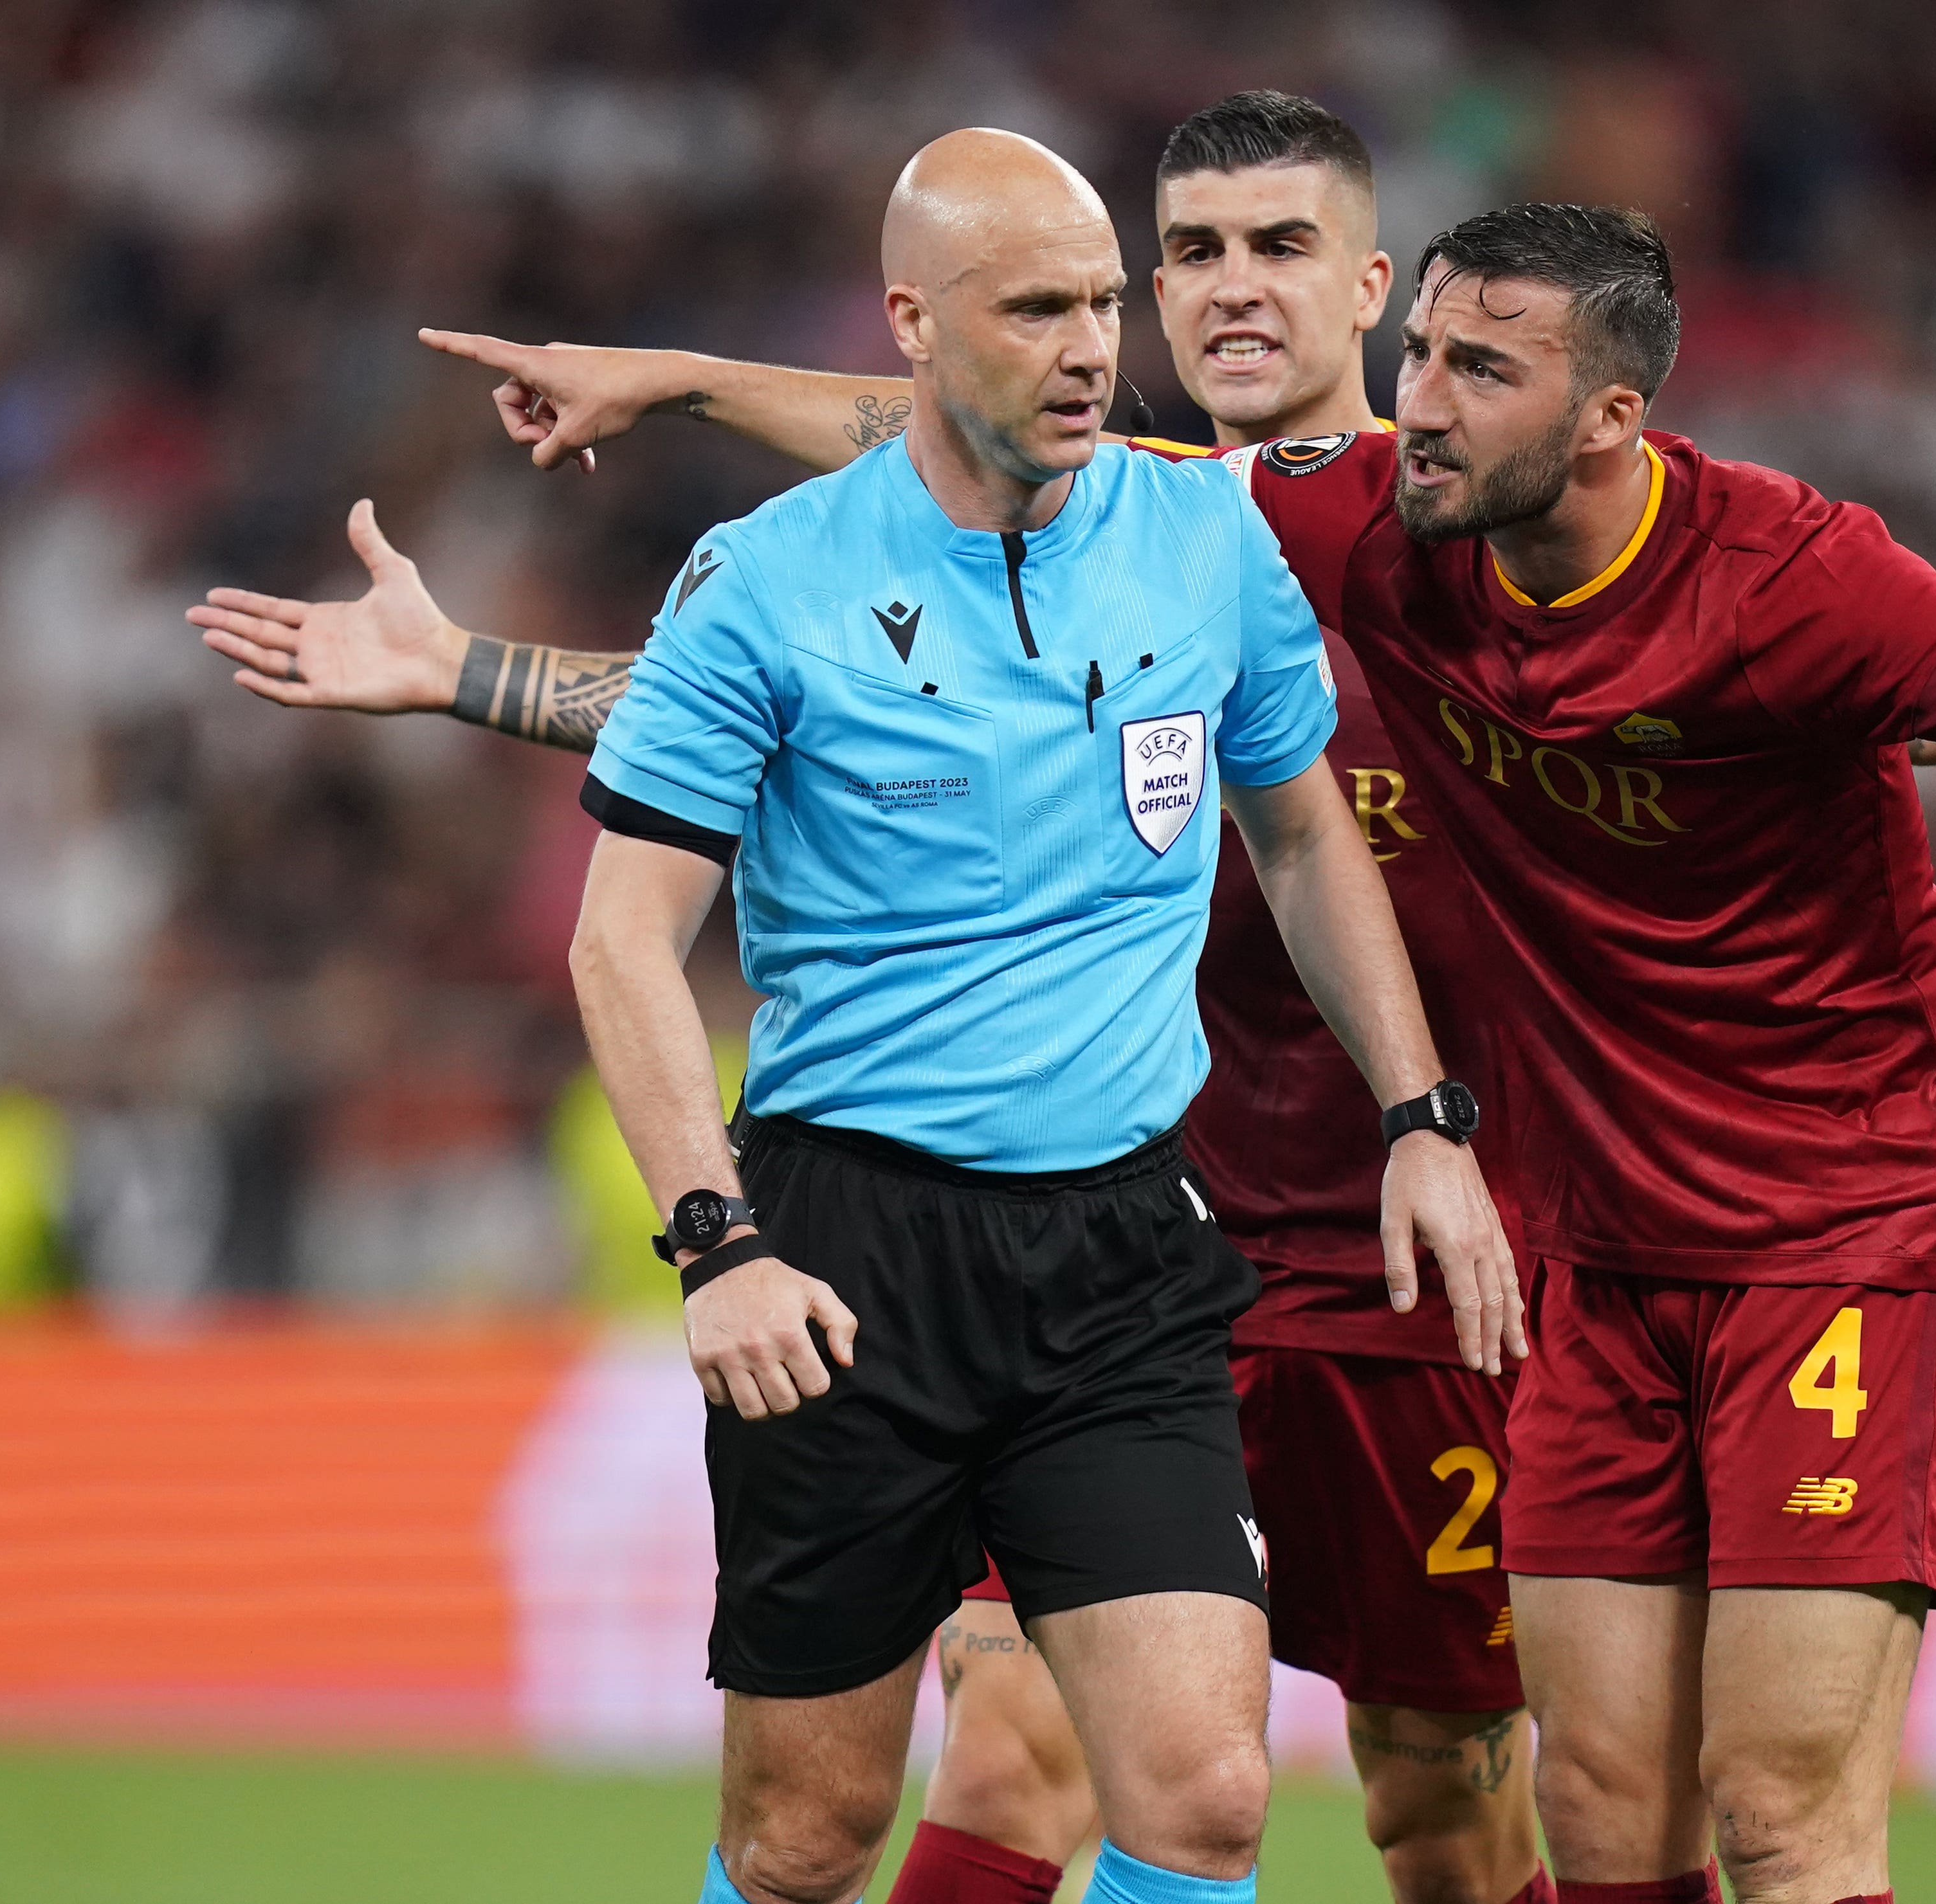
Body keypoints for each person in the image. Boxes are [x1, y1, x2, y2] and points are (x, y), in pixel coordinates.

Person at [194, 98, 1936, 1904]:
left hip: (1418, 1233)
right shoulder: (1141, 513)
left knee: (1448, 1784)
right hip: (1130, 1221)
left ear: (1379, 294)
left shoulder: (1435, 534)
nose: (1217, 291)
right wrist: (489, 638)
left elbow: (1864, 690)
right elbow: (869, 538)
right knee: (1028, 1740)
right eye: (1183, 257)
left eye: (1275, 249)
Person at [417, 123, 1514, 1904]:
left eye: (1100, 304)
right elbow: (622, 943)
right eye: (1036, 310)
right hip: (850, 1250)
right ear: (913, 324)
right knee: (806, 1832)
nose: (1091, 346)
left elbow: (1306, 839)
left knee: (1204, 1792)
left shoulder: (1199, 543)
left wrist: (1419, 1117)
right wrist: (718, 1244)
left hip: (1126, 1247)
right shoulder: (763, 580)